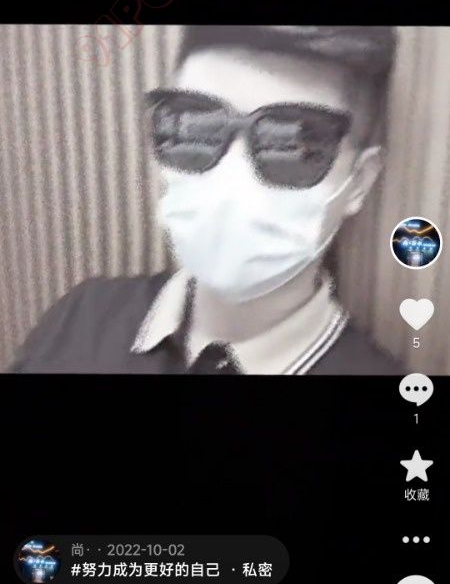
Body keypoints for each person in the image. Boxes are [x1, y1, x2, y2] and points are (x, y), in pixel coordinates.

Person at [9, 25, 401, 375]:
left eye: (292, 143)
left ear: (359, 182)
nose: (231, 177)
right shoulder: (80, 318)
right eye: (196, 125)